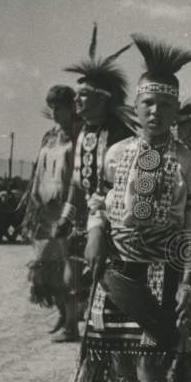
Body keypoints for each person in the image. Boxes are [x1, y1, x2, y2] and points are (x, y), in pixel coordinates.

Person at [76, 34, 191, 382]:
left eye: (165, 105)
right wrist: (95, 230)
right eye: (148, 103)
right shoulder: (115, 155)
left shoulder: (188, 163)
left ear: (176, 110)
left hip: (162, 273)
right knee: (117, 367)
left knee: (151, 366)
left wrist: (189, 280)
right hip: (117, 272)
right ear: (136, 106)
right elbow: (97, 198)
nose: (155, 112)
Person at [53, 24, 134, 342]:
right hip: (86, 217)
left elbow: (123, 187)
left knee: (111, 281)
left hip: (115, 219)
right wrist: (67, 215)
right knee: (72, 274)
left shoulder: (122, 136)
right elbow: (77, 181)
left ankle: (119, 334)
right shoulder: (83, 134)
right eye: (77, 98)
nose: (78, 105)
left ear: (104, 99)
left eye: (84, 98)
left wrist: (104, 224)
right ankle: (74, 326)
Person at [21, 85, 77, 336]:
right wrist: (33, 199)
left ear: (71, 108)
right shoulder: (48, 137)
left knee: (68, 266)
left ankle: (72, 323)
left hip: (66, 211)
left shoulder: (78, 136)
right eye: (52, 107)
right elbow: (38, 170)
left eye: (60, 107)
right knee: (44, 267)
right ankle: (62, 315)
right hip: (44, 209)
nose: (55, 112)